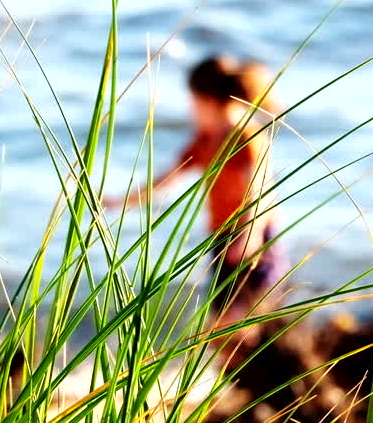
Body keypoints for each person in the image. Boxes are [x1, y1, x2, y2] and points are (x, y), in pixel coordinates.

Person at [105, 54, 283, 329]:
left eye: (194, 104)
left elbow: (258, 193)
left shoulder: (247, 138)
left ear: (208, 102)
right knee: (223, 321)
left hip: (252, 240)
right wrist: (119, 203)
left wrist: (250, 236)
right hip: (222, 239)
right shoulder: (204, 142)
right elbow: (166, 180)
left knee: (247, 318)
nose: (191, 111)